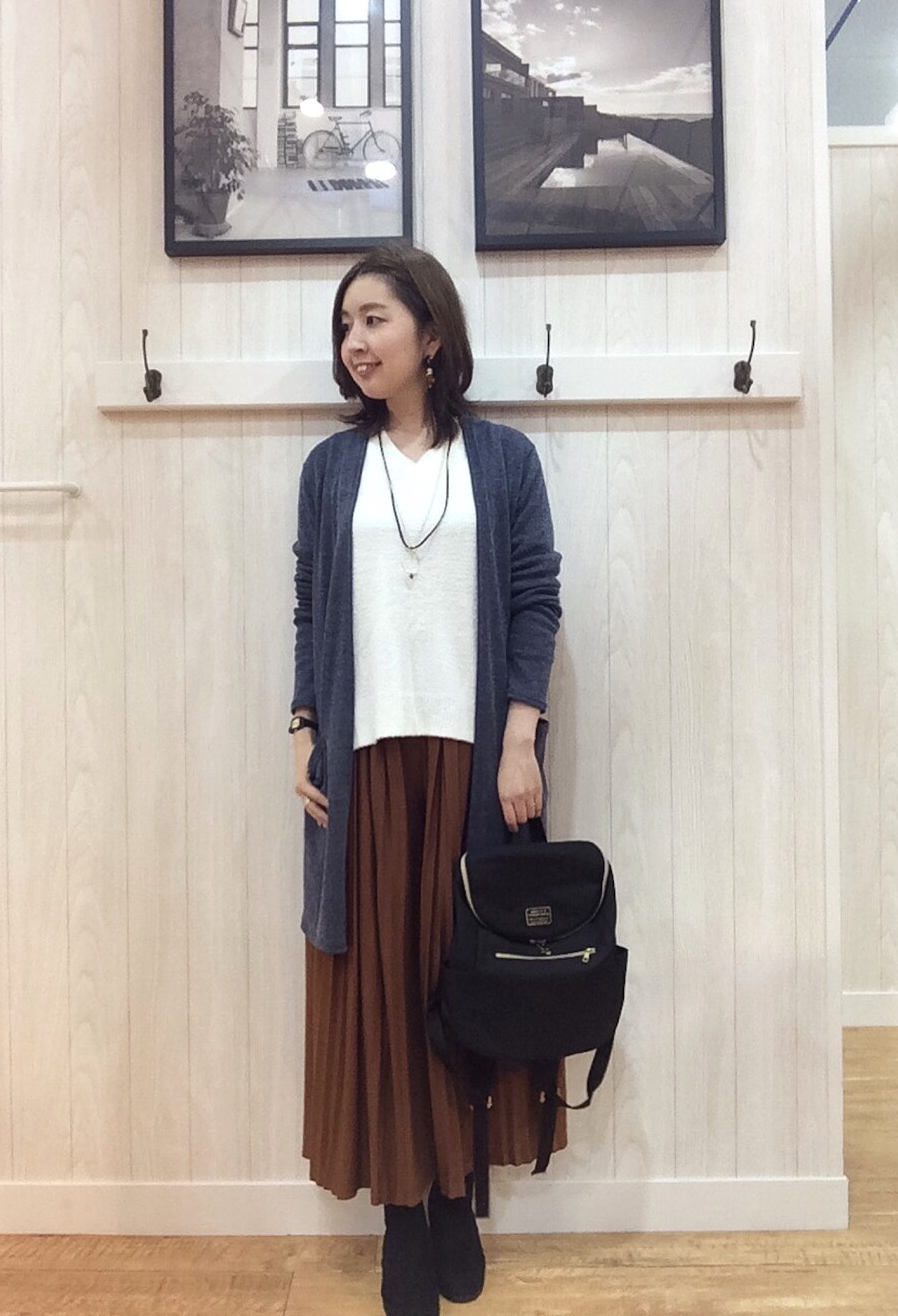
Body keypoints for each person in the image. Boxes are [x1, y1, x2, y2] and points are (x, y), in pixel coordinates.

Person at [290, 244, 564, 1316]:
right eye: (344, 326)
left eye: (373, 320)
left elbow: (535, 598)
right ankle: (404, 1213)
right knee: (383, 989)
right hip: (364, 763)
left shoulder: (503, 460)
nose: (354, 342)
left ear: (431, 334)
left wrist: (519, 736)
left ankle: (457, 1195)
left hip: (470, 762)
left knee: (466, 979)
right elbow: (311, 607)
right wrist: (304, 726)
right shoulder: (329, 469)